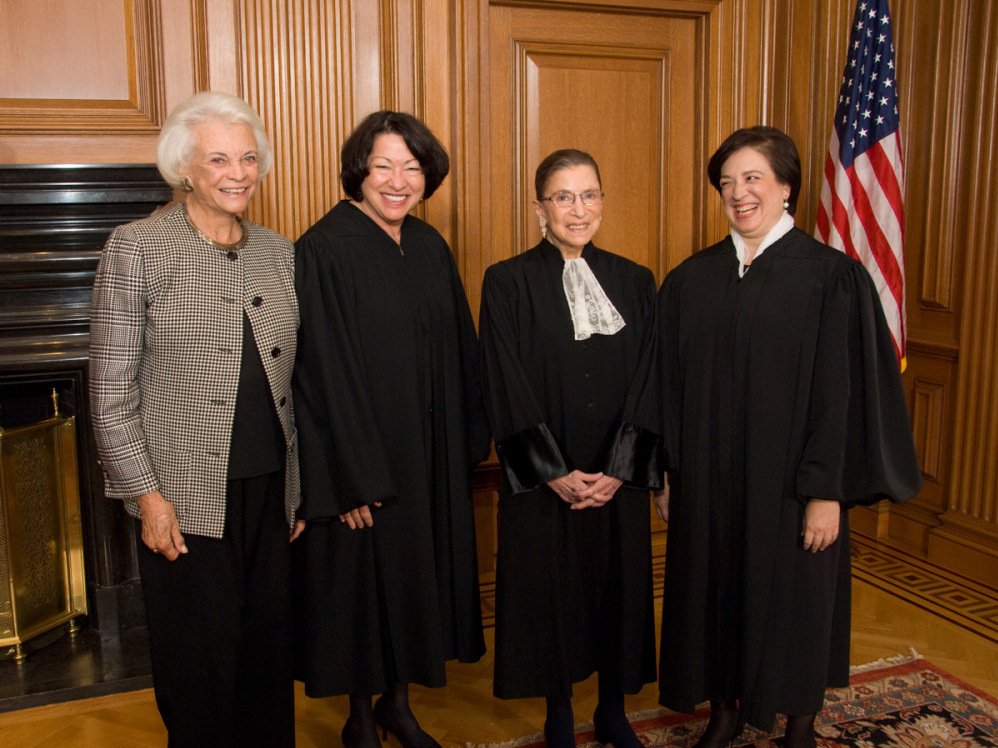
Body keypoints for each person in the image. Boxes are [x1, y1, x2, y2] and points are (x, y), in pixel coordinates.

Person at [656, 126, 923, 748]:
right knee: (716, 594)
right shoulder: (691, 281)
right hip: (712, 486)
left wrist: (826, 490)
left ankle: (799, 724)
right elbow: (665, 387)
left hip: (795, 487)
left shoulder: (832, 279)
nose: (738, 193)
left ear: (786, 187)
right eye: (727, 182)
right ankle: (723, 714)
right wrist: (668, 474)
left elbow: (843, 397)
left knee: (799, 604)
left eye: (752, 178)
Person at [90, 91, 303, 747]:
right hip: (182, 500)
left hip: (271, 491)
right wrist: (146, 497)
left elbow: (300, 381)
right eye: (219, 159)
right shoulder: (138, 248)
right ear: (186, 167)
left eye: (248, 157)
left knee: (269, 659)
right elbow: (110, 390)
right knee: (199, 668)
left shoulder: (278, 250)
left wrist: (301, 490)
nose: (238, 172)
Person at [292, 110, 490, 748]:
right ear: (360, 171)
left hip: (427, 452)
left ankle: (398, 704)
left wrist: (466, 443)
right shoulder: (324, 247)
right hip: (366, 459)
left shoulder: (430, 244)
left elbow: (461, 346)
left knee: (414, 581)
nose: (399, 180)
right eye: (384, 166)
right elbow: (319, 369)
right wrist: (350, 478)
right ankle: (358, 715)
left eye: (412, 167)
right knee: (362, 587)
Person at [479, 149, 663, 748]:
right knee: (550, 595)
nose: (577, 209)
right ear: (539, 208)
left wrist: (621, 470)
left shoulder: (636, 281)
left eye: (589, 195)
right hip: (545, 480)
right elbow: (504, 380)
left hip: (617, 476)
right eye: (563, 197)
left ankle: (613, 710)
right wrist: (551, 471)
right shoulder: (506, 281)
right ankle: (560, 714)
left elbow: (650, 379)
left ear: (603, 202)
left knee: (617, 590)